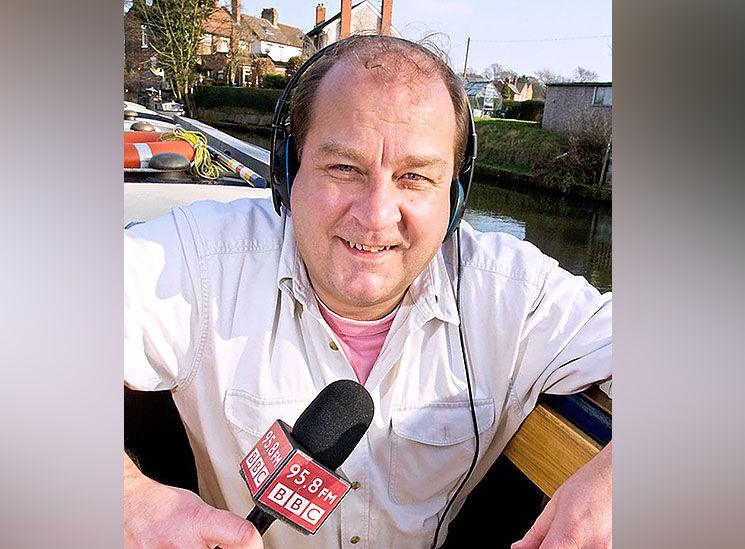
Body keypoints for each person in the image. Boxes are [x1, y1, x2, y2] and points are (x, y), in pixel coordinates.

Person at [124, 35, 611, 549]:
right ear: (287, 171)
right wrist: (128, 499)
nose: (377, 215)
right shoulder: (203, 260)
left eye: (416, 177)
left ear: (457, 195)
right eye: (344, 168)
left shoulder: (513, 293)